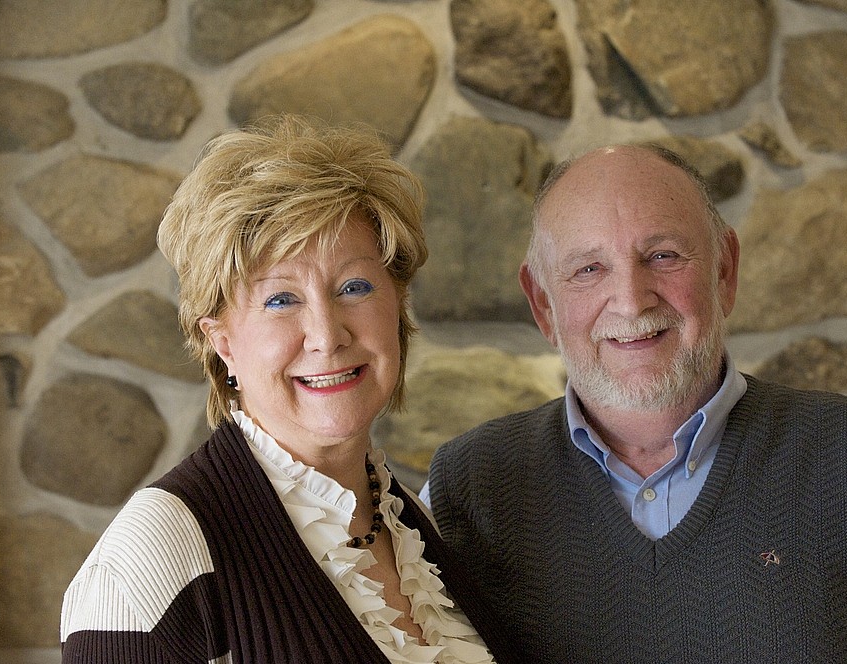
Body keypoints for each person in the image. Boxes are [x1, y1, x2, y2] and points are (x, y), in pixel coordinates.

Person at [425, 143, 847, 663]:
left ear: (724, 270)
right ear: (542, 304)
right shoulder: (462, 497)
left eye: (663, 255)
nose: (631, 301)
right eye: (588, 269)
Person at [60, 116, 514, 663]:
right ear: (222, 339)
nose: (327, 335)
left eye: (354, 287)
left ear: (397, 307)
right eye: (281, 299)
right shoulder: (152, 562)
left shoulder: (415, 524)